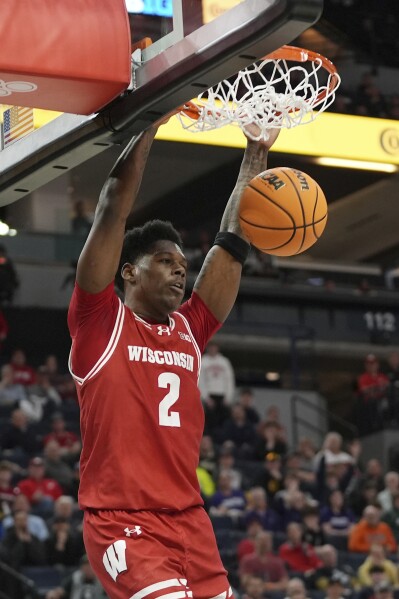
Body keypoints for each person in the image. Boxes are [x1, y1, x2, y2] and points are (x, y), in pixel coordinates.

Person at [67, 118, 281, 599]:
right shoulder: (100, 322)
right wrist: (149, 120)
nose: (179, 272)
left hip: (190, 522)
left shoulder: (190, 329)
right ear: (129, 271)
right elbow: (112, 209)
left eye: (183, 266)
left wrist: (255, 152)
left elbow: (231, 245)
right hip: (123, 522)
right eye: (166, 262)